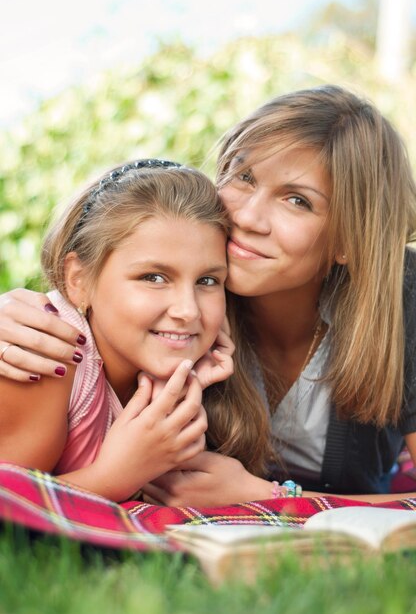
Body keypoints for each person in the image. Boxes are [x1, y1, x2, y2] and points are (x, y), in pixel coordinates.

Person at [1, 85, 416, 504]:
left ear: (351, 238)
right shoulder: (191, 300)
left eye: (297, 201)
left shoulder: (400, 298)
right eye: (244, 176)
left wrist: (269, 496)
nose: (248, 217)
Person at [0, 158, 275, 502]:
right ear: (78, 280)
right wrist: (117, 476)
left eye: (207, 281)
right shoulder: (44, 351)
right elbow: (10, 519)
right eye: (154, 278)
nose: (188, 310)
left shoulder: (172, 381)